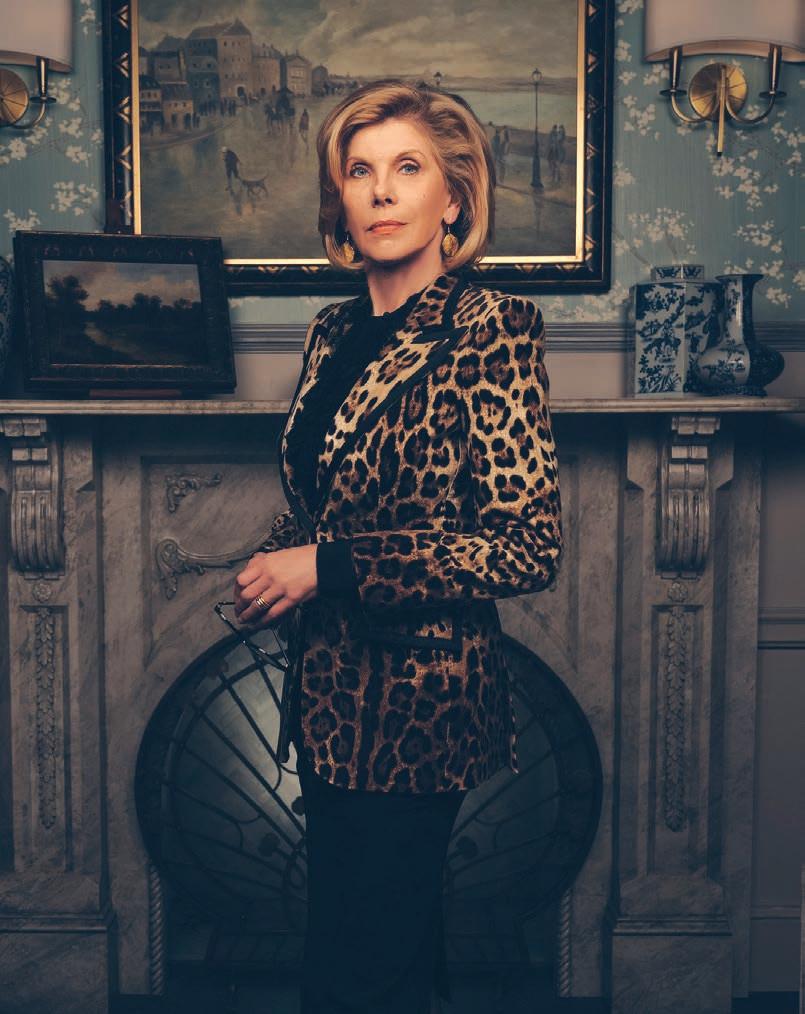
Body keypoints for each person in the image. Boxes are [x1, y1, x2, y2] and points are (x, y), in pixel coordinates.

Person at [232, 79, 562, 1014]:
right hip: (326, 693)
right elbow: (330, 499)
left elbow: (525, 545)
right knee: (365, 950)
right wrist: (274, 566)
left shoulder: (492, 329)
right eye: (359, 171)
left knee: (362, 968)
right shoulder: (332, 330)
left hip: (422, 700)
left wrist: (326, 568)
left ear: (452, 198)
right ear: (338, 197)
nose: (379, 190)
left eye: (406, 168)